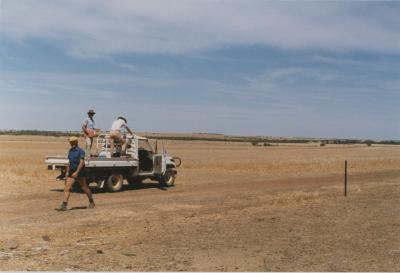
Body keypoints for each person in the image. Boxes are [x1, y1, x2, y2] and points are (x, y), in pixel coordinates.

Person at [57, 136, 95, 211]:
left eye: (71, 142)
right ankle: (64, 205)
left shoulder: (80, 151)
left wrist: (77, 172)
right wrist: (67, 173)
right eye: (70, 142)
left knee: (84, 187)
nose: (70, 143)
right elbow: (69, 163)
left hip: (80, 171)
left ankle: (91, 201)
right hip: (71, 171)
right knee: (67, 188)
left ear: (75, 142)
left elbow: (82, 162)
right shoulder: (70, 151)